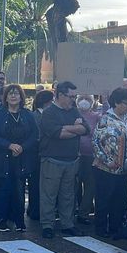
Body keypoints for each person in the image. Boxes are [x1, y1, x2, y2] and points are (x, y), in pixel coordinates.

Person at [39, 81, 89, 238]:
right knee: (49, 194)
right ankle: (47, 225)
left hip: (72, 161)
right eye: (71, 96)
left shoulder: (74, 111)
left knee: (68, 195)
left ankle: (67, 224)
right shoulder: (49, 113)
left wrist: (66, 127)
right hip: (52, 160)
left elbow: (86, 129)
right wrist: (75, 129)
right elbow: (57, 134)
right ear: (60, 95)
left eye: (74, 96)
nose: (73, 100)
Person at [0, 84, 38, 232]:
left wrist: (22, 147)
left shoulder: (28, 115)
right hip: (3, 159)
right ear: (5, 97)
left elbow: (34, 135)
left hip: (22, 159)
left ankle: (19, 220)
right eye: (10, 93)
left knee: (19, 190)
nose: (13, 96)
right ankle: (2, 220)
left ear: (21, 97)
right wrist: (9, 145)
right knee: (4, 190)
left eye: (16, 93)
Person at [92, 88, 127, 238]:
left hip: (124, 170)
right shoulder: (106, 119)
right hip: (107, 169)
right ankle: (100, 228)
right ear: (117, 103)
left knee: (120, 200)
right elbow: (96, 142)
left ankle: (115, 227)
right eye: (126, 103)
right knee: (104, 198)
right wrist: (107, 161)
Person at [29, 90, 55, 220]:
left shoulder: (41, 115)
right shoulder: (35, 116)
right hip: (37, 154)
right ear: (47, 102)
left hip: (43, 153)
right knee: (36, 184)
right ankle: (35, 211)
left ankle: (35, 209)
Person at [75, 93, 101, 225]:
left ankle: (83, 212)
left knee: (90, 185)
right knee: (75, 184)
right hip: (75, 155)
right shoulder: (73, 114)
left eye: (87, 99)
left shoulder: (96, 116)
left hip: (91, 155)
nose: (84, 101)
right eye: (81, 99)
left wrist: (106, 100)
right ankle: (74, 208)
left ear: (93, 102)